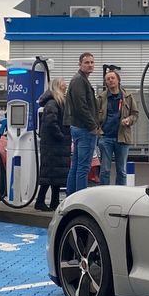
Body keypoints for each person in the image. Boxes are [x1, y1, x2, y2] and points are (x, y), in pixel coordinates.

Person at [95, 67, 140, 186]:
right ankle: (103, 193)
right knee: (105, 170)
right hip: (106, 138)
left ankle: (120, 193)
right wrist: (98, 131)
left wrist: (129, 120)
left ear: (118, 80)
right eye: (108, 79)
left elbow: (135, 114)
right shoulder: (101, 98)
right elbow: (93, 117)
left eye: (113, 78)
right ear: (105, 82)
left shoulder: (128, 97)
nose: (110, 80)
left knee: (122, 170)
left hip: (122, 138)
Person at [64, 51, 101, 195]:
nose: (90, 65)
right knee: (83, 168)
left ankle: (70, 197)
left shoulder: (79, 79)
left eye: (92, 62)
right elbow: (81, 106)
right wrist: (93, 126)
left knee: (76, 166)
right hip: (84, 129)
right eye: (87, 62)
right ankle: (79, 199)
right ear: (80, 64)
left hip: (79, 127)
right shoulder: (80, 80)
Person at [34, 79, 70, 211]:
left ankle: (54, 201)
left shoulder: (56, 102)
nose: (65, 86)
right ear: (58, 87)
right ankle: (40, 201)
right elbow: (51, 122)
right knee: (49, 174)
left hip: (54, 144)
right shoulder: (53, 103)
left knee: (55, 175)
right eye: (63, 84)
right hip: (53, 144)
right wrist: (61, 136)